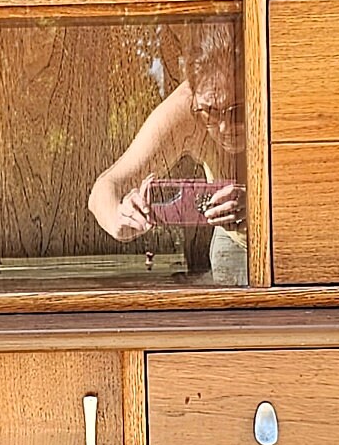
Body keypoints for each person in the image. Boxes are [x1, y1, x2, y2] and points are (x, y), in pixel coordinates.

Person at [88, 25, 246, 282]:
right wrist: (119, 217)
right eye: (210, 111)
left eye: (237, 110)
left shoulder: (282, 97)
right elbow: (104, 188)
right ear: (193, 93)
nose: (224, 127)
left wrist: (261, 206)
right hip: (235, 242)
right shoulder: (186, 107)